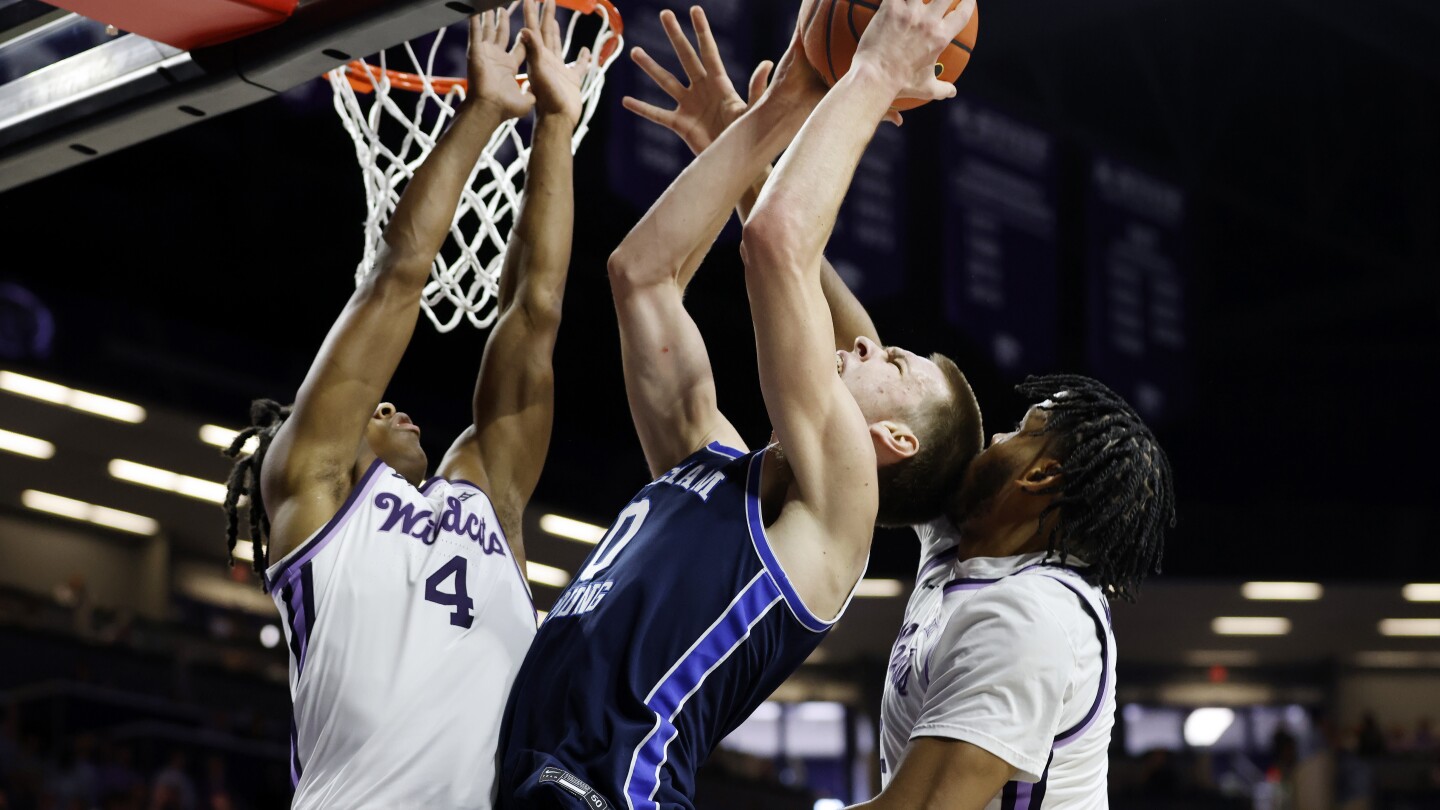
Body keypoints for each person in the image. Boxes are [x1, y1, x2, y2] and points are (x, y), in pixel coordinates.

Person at [497, 3, 982, 808]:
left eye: (890, 360)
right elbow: (641, 275)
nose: (864, 344)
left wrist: (873, 72)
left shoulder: (837, 516)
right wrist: (774, 110)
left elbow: (778, 244)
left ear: (890, 439)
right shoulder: (708, 461)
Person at [217, 4, 591, 806]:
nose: (389, 406)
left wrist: (555, 126)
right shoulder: (312, 499)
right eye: (371, 411)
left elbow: (537, 309)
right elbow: (397, 275)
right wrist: (482, 111)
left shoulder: (484, 498)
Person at [865, 374, 1175, 809]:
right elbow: (876, 373)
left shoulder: (1028, 619)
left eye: (1021, 430)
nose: (996, 436)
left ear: (1040, 475)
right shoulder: (972, 540)